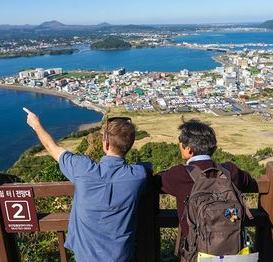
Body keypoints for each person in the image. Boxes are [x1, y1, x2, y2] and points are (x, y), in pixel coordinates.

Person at [23, 108, 147, 262]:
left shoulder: (82, 168)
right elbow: (144, 169)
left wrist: (36, 124)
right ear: (129, 146)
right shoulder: (138, 175)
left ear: (106, 144)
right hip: (120, 257)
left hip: (85, 256)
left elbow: (51, 148)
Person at [155, 119, 257, 260]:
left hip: (195, 254)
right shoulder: (230, 171)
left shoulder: (179, 174)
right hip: (234, 254)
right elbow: (248, 180)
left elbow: (156, 181)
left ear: (188, 149)